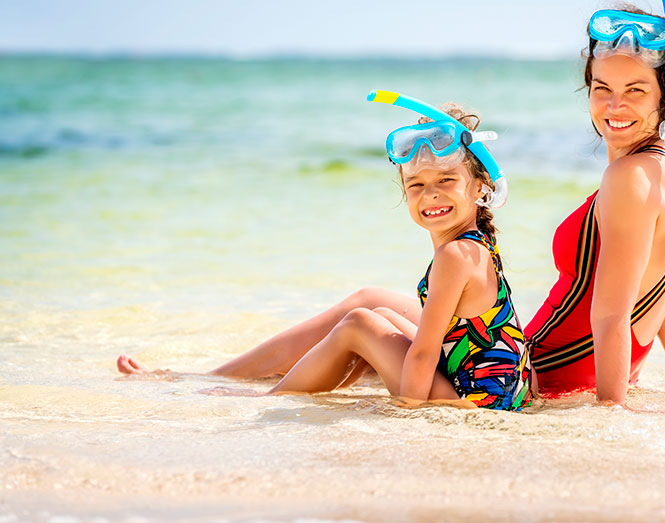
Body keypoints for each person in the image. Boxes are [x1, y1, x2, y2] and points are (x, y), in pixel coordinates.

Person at [118, 92, 532, 411]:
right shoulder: (474, 242)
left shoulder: (452, 256)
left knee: (359, 325)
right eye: (417, 185)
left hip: (479, 405)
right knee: (379, 313)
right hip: (504, 389)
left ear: (481, 188)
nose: (431, 195)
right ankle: (248, 381)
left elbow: (424, 354)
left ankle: (269, 400)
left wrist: (408, 415)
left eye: (446, 180)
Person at [524, 0, 665, 405]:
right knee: (373, 307)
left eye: (635, 90)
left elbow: (611, 317)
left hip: (538, 372)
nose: (613, 106)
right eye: (601, 88)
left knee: (365, 321)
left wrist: (609, 416)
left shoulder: (629, 177)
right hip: (553, 363)